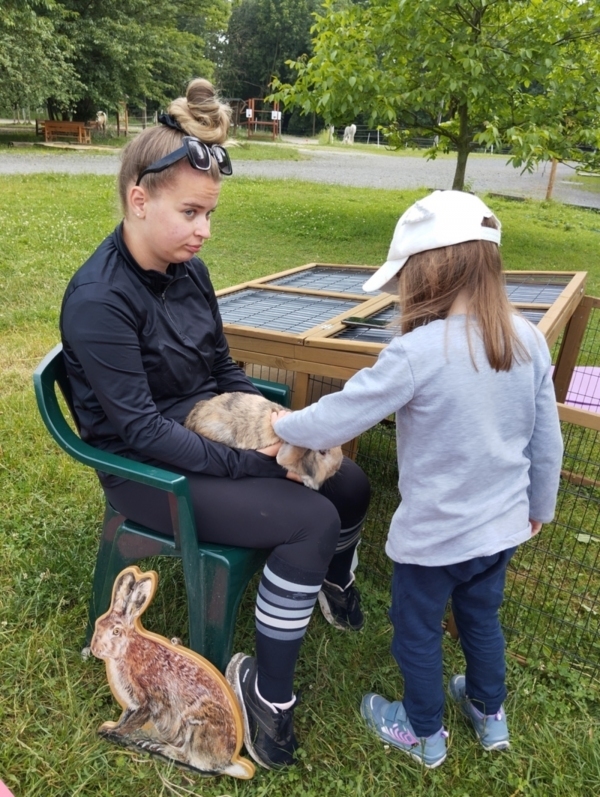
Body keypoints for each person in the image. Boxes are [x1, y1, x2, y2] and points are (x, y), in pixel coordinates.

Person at [59, 78, 370, 771]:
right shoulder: (99, 300)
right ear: (139, 199)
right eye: (191, 212)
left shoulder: (188, 270)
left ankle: (327, 581)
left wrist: (275, 423)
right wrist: (255, 462)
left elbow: (223, 367)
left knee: (348, 484)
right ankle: (269, 700)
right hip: (149, 473)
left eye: (210, 214)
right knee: (310, 519)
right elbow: (142, 433)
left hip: (208, 433)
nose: (204, 230)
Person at [272, 190, 563, 768]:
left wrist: (285, 424)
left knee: (417, 630)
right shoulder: (527, 337)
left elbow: (340, 414)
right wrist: (540, 507)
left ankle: (422, 730)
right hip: (501, 528)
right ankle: (489, 712)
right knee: (481, 618)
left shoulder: (416, 352)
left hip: (434, 538)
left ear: (430, 272)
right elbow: (546, 440)